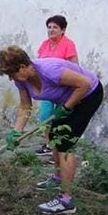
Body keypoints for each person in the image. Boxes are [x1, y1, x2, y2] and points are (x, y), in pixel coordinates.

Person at [0, 45, 103, 215]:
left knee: (65, 144)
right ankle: (58, 178)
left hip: (88, 95)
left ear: (23, 67)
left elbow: (84, 83)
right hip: (69, 100)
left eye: (12, 74)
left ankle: (66, 201)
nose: (11, 78)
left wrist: (66, 107)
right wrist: (17, 132)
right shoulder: (21, 79)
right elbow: (25, 106)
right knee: (54, 135)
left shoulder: (50, 70)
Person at [35, 15, 78, 155]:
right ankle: (48, 144)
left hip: (63, 87)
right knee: (45, 115)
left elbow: (75, 66)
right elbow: (39, 64)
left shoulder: (68, 44)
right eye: (49, 27)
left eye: (55, 27)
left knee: (59, 116)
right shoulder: (44, 44)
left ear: (63, 30)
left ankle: (59, 147)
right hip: (47, 86)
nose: (51, 30)